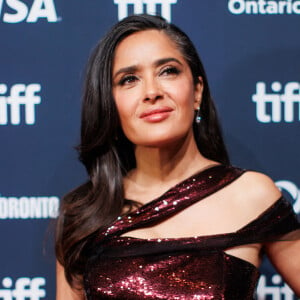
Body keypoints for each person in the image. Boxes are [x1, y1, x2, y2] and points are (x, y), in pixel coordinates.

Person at [55, 14, 300, 299]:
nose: (152, 92)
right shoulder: (84, 214)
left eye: (168, 71)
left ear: (197, 91)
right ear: (109, 105)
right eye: (129, 79)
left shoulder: (251, 195)